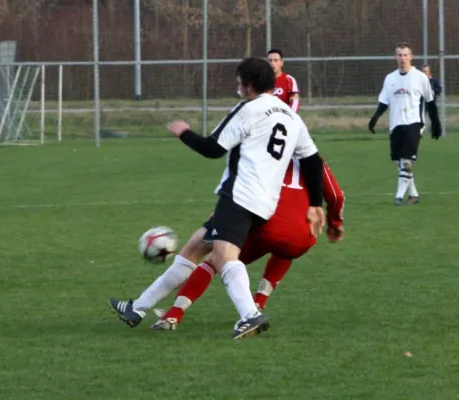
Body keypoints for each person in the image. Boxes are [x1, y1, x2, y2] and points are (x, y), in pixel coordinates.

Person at [133, 57, 323, 340]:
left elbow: (213, 148)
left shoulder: (249, 109)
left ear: (248, 85)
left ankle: (250, 316)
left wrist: (184, 133)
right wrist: (316, 203)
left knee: (223, 256)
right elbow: (313, 161)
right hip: (265, 203)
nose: (237, 88)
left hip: (238, 195)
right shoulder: (291, 117)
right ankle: (136, 308)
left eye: (238, 83)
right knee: (194, 248)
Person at [149, 158, 345, 330]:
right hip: (301, 237)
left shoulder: (265, 154)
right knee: (287, 247)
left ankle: (174, 314)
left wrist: (224, 214)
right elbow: (336, 196)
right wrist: (334, 223)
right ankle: (258, 302)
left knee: (216, 258)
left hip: (264, 227)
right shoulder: (313, 159)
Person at [368, 43, 442, 206]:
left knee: (407, 161)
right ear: (395, 57)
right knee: (400, 163)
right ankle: (413, 195)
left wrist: (436, 123)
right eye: (399, 55)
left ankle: (398, 197)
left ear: (411, 57)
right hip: (396, 124)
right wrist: (374, 118)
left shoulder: (420, 77)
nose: (402, 58)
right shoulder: (390, 78)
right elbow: (384, 102)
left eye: (405, 55)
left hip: (414, 122)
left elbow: (430, 101)